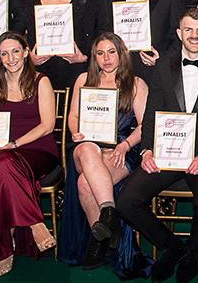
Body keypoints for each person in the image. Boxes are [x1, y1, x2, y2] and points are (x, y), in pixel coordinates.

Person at [116, 8, 198, 283]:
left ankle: (192, 251)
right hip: (166, 152)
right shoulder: (162, 66)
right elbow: (150, 115)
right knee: (126, 201)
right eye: (189, 30)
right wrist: (146, 150)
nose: (194, 35)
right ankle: (173, 247)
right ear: (180, 33)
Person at [57, 32, 151, 277]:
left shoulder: (136, 83)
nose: (106, 58)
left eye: (112, 52)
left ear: (122, 53)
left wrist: (124, 146)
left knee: (84, 183)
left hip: (120, 148)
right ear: (94, 57)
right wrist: (75, 132)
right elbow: (74, 117)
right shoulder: (83, 79)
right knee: (87, 148)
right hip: (86, 146)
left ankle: (99, 242)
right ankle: (109, 213)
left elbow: (144, 126)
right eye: (100, 53)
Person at [0, 31, 60, 277]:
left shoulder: (41, 81)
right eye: (4, 53)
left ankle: (5, 249)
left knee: (3, 165)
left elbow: (47, 126)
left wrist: (13, 145)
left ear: (26, 52)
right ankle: (36, 224)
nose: (10, 57)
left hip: (40, 151)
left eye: (15, 51)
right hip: (6, 153)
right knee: (3, 162)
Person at [25, 0, 96, 91]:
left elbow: (91, 36)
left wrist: (83, 57)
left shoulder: (83, 0)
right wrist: (30, 59)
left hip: (74, 68)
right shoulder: (32, 0)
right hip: (41, 69)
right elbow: (28, 35)